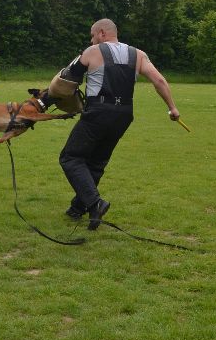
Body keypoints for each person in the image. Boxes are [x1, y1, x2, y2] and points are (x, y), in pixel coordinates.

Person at [51, 18, 181, 230]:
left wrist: (43, 101)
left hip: (98, 112)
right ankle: (78, 209)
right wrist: (172, 108)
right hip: (124, 114)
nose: (92, 40)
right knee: (96, 163)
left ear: (102, 33)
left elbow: (65, 81)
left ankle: (95, 203)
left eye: (93, 36)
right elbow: (159, 80)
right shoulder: (138, 54)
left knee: (71, 157)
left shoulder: (92, 51)